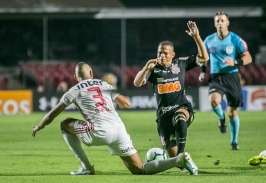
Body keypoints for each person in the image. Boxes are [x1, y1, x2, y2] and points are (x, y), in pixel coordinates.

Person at [32, 62, 198, 175]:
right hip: (118, 130)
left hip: (97, 131)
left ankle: (86, 167)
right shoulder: (104, 84)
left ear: (76, 78)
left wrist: (39, 126)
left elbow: (52, 114)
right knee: (140, 169)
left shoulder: (73, 90)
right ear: (91, 73)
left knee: (64, 124)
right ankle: (178, 159)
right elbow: (126, 103)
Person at [134, 21, 209, 159]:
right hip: (163, 116)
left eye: (165, 53)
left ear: (173, 54)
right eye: (160, 52)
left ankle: (181, 155)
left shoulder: (181, 63)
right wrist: (146, 68)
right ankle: (181, 161)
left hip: (182, 107)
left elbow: (205, 57)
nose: (162, 55)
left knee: (179, 118)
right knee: (173, 160)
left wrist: (196, 37)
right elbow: (137, 83)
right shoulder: (153, 69)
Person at [198, 11, 252, 150]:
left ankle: (234, 141)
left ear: (227, 23)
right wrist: (203, 72)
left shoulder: (235, 39)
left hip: (232, 76)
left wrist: (235, 61)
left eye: (222, 20)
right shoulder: (209, 40)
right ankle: (221, 119)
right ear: (215, 23)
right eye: (217, 21)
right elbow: (204, 58)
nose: (220, 23)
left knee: (232, 112)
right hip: (216, 77)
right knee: (213, 100)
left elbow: (248, 57)